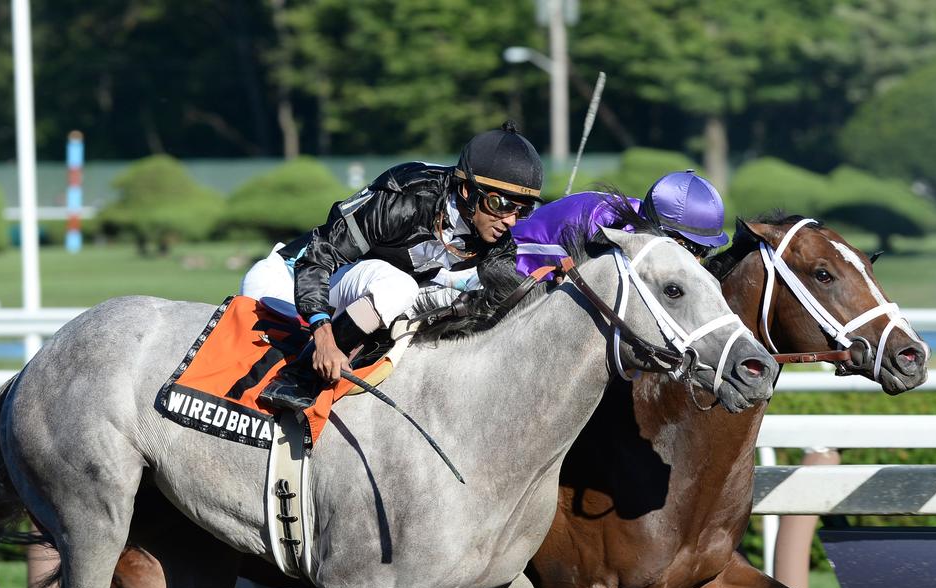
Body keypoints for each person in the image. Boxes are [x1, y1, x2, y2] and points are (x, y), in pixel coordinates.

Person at [244, 121, 543, 412]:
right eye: (500, 204)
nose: (510, 220)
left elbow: (510, 299)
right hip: (286, 280)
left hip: (351, 296)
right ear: (467, 191)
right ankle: (299, 379)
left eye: (522, 209)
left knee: (464, 298)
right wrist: (323, 338)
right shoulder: (407, 198)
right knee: (400, 287)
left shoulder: (498, 238)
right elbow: (316, 258)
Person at [511, 169, 729, 276]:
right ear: (664, 231)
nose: (698, 261)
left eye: (704, 250)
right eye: (692, 248)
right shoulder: (618, 232)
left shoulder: (645, 223)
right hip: (514, 257)